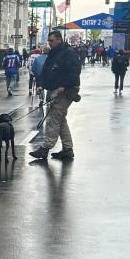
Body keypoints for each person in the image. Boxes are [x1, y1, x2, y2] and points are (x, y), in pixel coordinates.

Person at [30, 30, 82, 162]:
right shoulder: (53, 53)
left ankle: (45, 148)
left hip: (65, 90)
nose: (49, 43)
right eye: (49, 41)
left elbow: (75, 71)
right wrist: (40, 84)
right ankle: (67, 149)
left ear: (59, 39)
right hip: (53, 89)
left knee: (54, 118)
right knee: (60, 119)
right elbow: (45, 71)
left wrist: (63, 85)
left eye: (51, 41)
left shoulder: (69, 53)